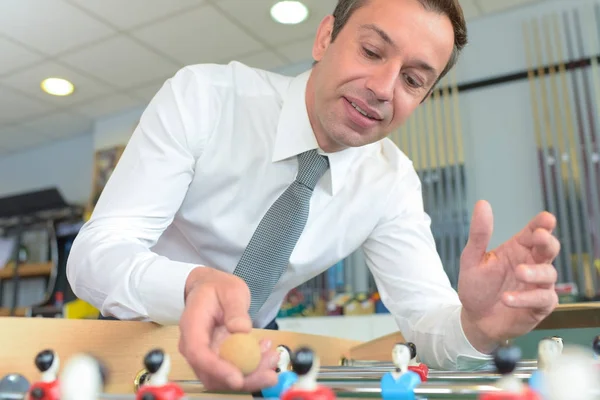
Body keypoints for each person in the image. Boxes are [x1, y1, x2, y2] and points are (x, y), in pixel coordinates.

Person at [66, 0, 560, 394]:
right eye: (371, 51)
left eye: (412, 80)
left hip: (257, 347)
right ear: (325, 37)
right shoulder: (205, 97)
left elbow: (428, 322)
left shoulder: (391, 182)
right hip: (133, 330)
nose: (383, 89)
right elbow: (96, 253)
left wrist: (477, 325)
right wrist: (191, 285)